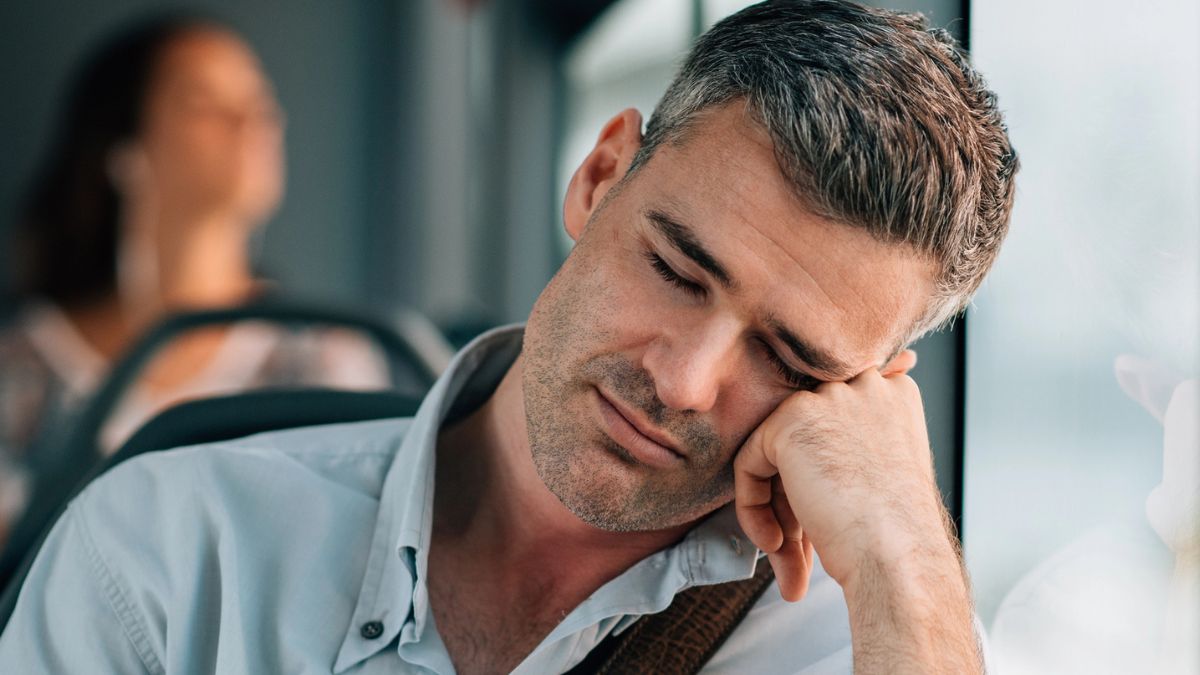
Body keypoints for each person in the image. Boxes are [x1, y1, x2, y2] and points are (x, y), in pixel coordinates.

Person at [0, 1, 1018, 672]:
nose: (683, 380)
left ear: (869, 391)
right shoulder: (172, 552)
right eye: (675, 269)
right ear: (599, 177)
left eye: (789, 360)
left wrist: (905, 557)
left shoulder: (860, 641)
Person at [0, 17, 389, 548]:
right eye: (204, 103)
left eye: (261, 102)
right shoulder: (22, 368)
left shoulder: (322, 361)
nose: (251, 121)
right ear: (123, 149)